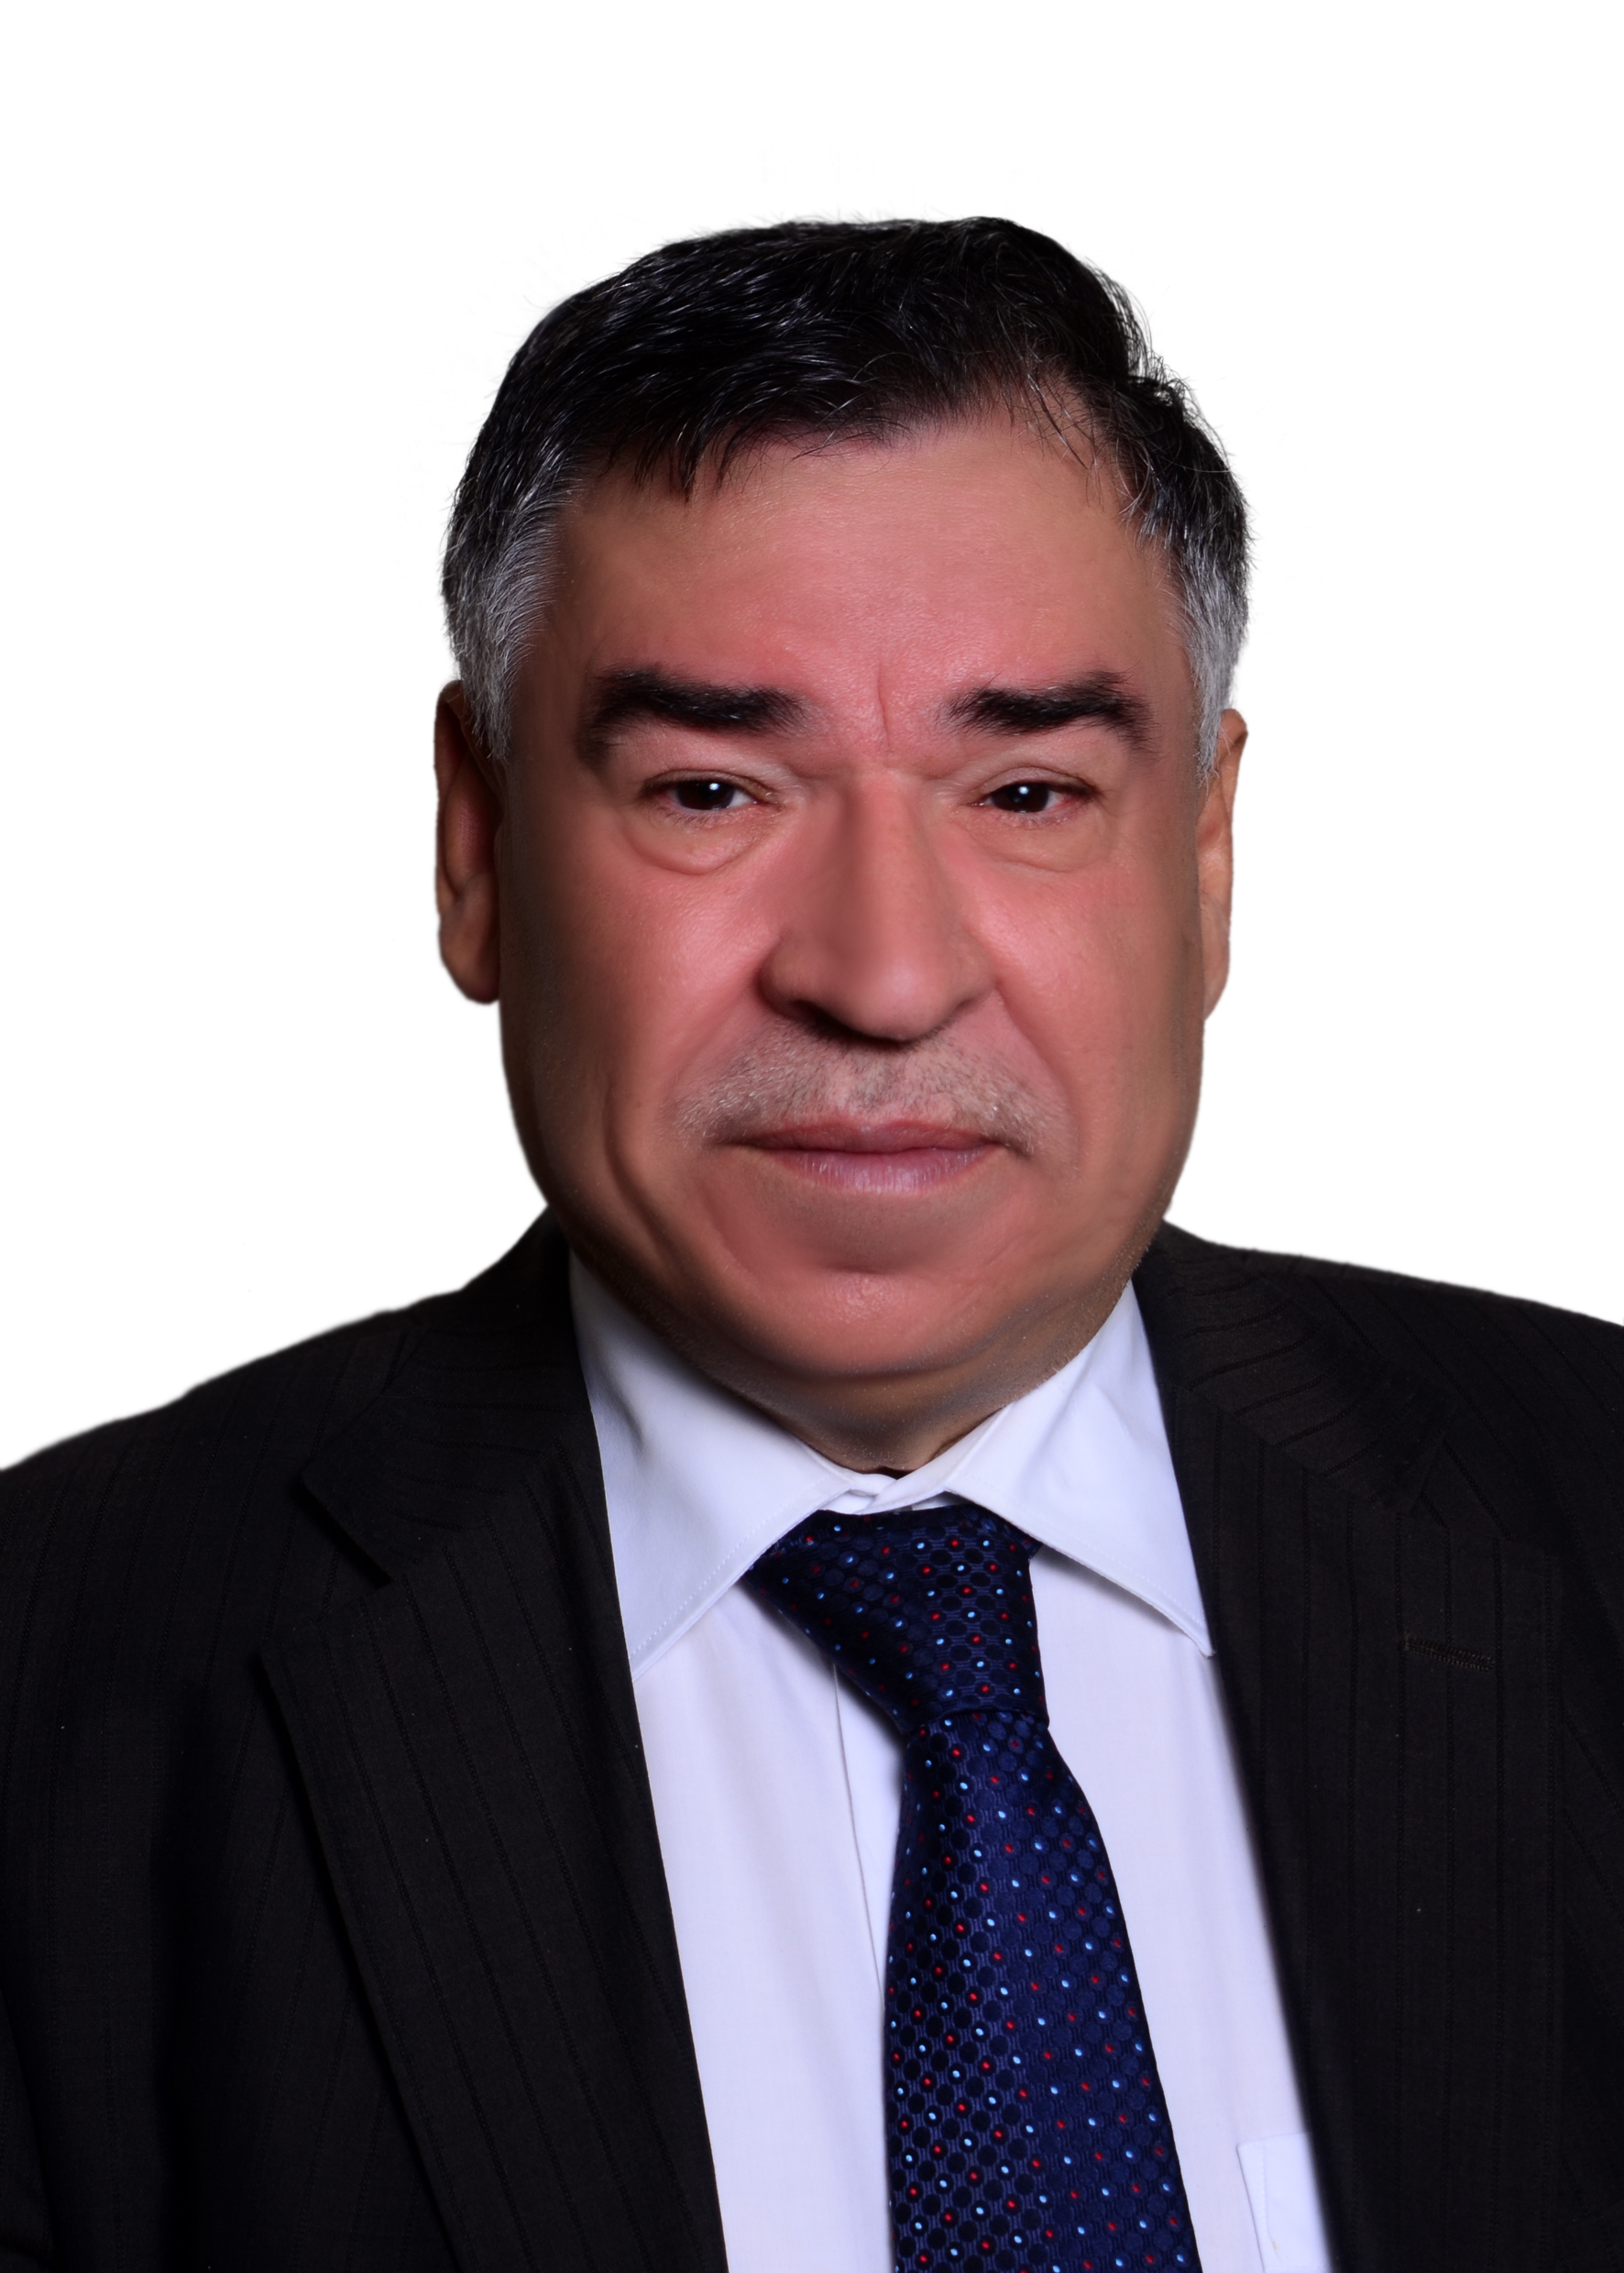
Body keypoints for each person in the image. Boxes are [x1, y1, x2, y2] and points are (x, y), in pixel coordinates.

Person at [1, 218, 1620, 2273]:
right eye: (711, 789)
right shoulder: (55, 1684)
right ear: (476, 844)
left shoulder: (1585, 1503)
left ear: (1206, 859)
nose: (881, 974)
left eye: (1025, 792)